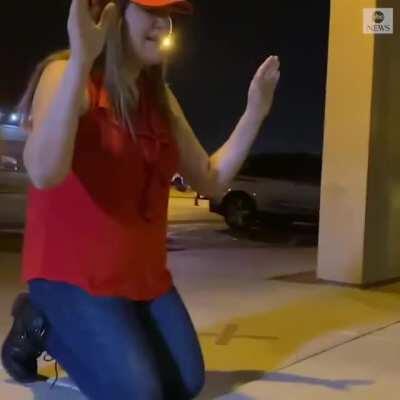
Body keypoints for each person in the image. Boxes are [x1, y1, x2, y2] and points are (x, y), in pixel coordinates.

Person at [1, 0, 280, 398]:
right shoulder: (65, 75)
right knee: (141, 394)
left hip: (142, 278)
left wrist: (255, 112)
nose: (164, 24)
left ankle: (112, 325)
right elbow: (45, 172)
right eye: (151, 11)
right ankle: (37, 320)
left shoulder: (161, 99)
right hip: (72, 277)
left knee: (186, 383)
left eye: (169, 15)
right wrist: (82, 58)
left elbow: (211, 178)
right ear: (111, 16)